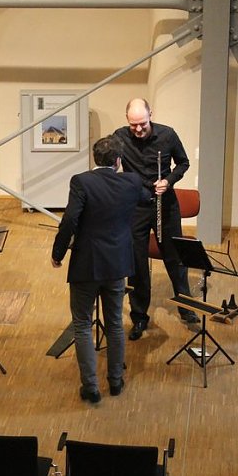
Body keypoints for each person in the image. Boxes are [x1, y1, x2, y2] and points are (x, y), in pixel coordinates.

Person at [52, 135, 150, 403]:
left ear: (94, 158)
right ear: (119, 161)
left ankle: (91, 387)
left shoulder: (82, 181)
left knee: (83, 324)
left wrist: (57, 253)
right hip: (117, 263)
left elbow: (70, 219)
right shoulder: (131, 181)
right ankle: (116, 381)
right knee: (116, 323)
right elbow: (146, 197)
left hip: (87, 263)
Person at [113, 98, 198, 341]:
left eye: (142, 123)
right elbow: (111, 161)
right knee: (137, 262)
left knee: (174, 256)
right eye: (133, 125)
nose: (138, 130)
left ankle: (186, 307)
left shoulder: (168, 135)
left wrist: (168, 181)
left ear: (151, 114)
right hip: (136, 206)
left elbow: (183, 163)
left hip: (165, 203)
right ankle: (139, 316)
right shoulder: (120, 136)